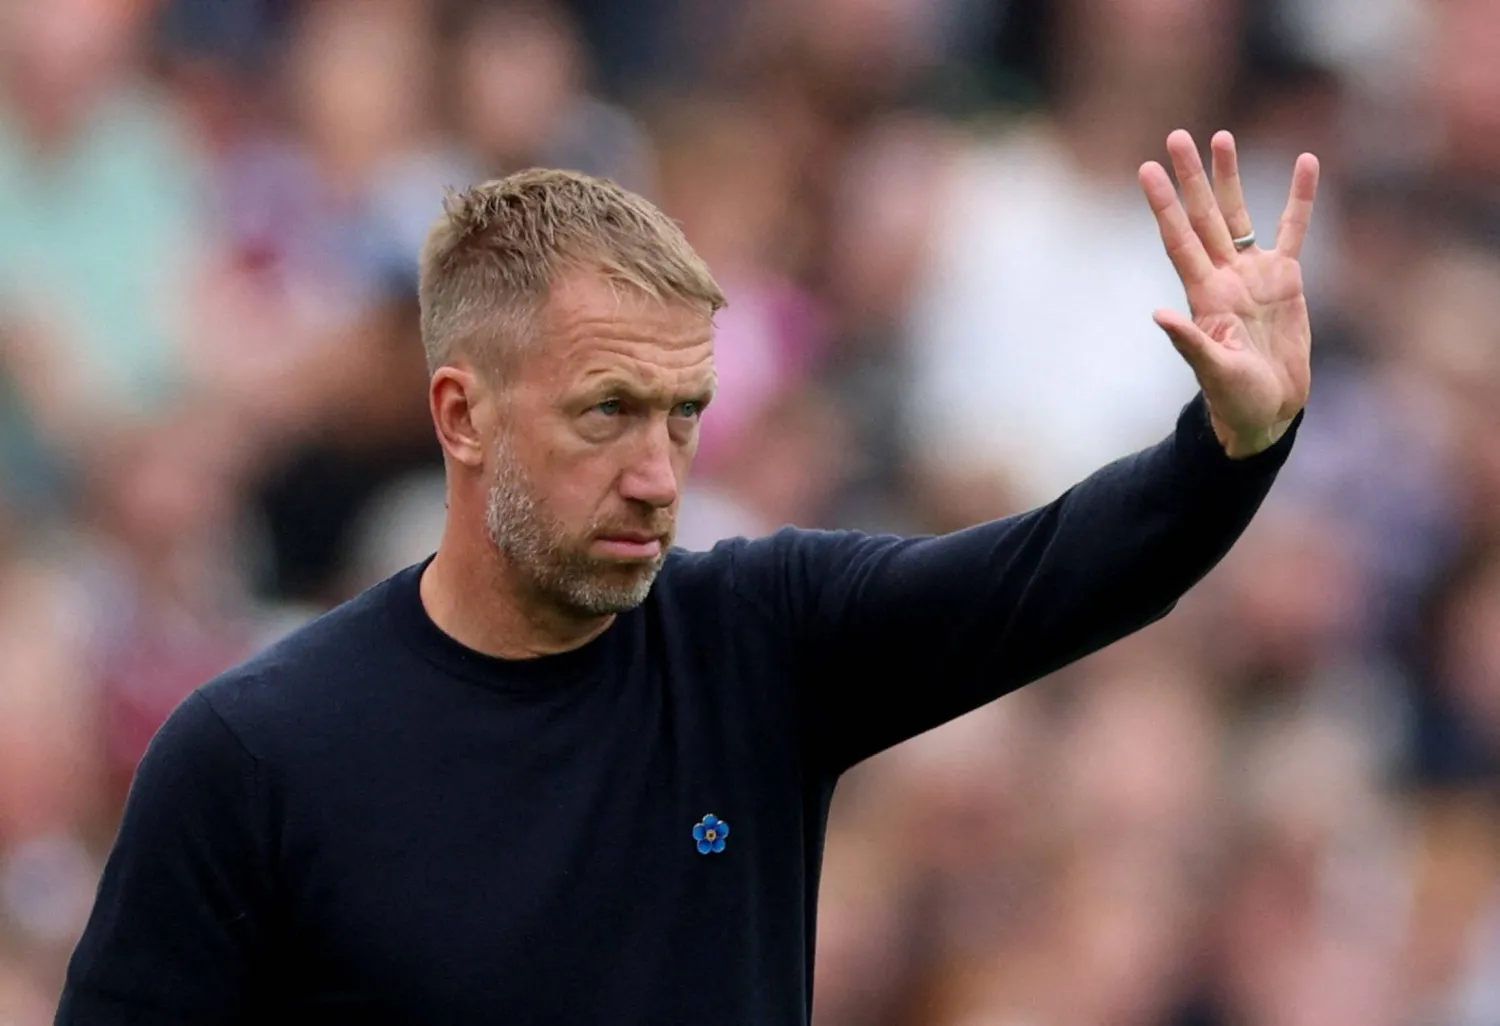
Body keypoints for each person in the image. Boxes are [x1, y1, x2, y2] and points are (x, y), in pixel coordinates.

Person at [56, 129, 1319, 1025]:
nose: (661, 473)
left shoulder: (763, 643)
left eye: (686, 413)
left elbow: (1070, 572)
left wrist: (1234, 443)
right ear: (461, 416)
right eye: (608, 411)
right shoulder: (254, 753)